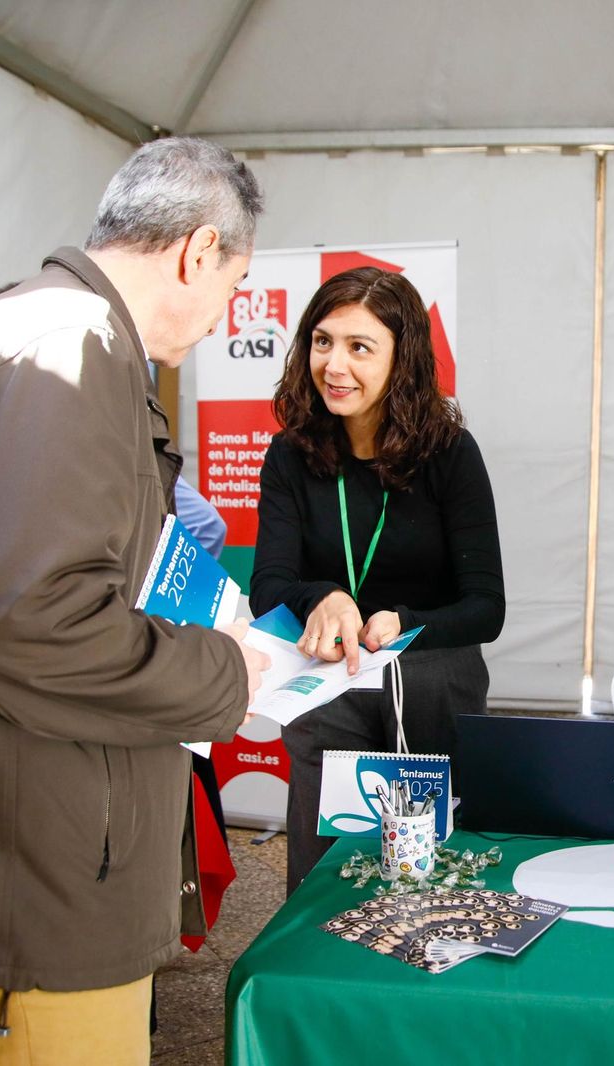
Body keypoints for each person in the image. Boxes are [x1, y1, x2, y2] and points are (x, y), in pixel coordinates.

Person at [0, 137, 270, 1064]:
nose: (225, 314)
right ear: (198, 252)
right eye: (234, 286)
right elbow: (30, 620)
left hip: (28, 889)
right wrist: (220, 670)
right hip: (23, 914)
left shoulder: (54, 332)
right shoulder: (64, 346)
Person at [251, 266, 504, 893]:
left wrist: (404, 622)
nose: (334, 365)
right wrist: (325, 595)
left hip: (431, 684)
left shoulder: (449, 452)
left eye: (359, 347)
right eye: (323, 341)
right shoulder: (291, 454)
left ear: (402, 358)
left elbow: (486, 607)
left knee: (431, 875)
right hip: (326, 683)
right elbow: (268, 588)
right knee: (323, 874)